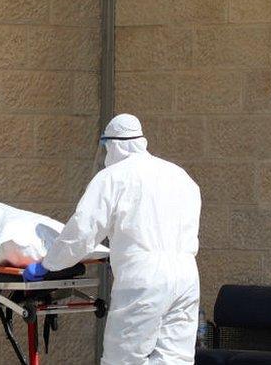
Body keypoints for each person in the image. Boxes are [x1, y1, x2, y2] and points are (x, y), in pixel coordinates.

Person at [24, 114, 201, 365]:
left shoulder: (113, 177)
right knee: (175, 359)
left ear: (114, 144)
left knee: (123, 359)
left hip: (143, 279)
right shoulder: (180, 176)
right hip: (186, 278)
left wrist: (49, 264)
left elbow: (82, 231)